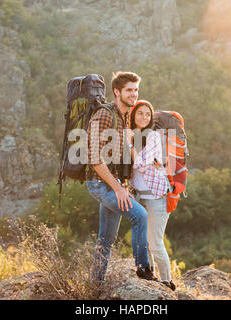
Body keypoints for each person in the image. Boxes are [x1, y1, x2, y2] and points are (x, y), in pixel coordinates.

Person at [85, 71, 156, 283]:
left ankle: (95, 282)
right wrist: (118, 188)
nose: (133, 94)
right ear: (117, 92)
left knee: (106, 238)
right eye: (129, 90)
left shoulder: (124, 115)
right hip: (100, 184)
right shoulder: (104, 114)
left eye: (136, 90)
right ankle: (144, 270)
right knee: (140, 216)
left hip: (112, 183)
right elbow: (94, 158)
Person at [127, 100, 176, 291]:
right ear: (133, 115)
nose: (144, 117)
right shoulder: (130, 134)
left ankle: (167, 282)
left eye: (148, 114)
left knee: (155, 242)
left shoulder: (154, 137)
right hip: (139, 197)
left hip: (157, 197)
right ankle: (151, 278)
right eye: (140, 113)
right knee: (144, 241)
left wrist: (129, 143)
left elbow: (141, 163)